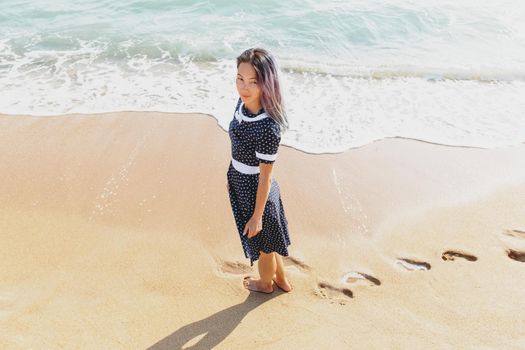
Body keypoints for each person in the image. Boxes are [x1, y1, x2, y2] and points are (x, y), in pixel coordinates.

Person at [226, 47, 293, 294]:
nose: (244, 87)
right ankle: (283, 280)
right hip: (241, 181)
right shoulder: (243, 104)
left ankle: (265, 284)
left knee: (264, 243)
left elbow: (265, 176)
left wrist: (257, 216)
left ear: (267, 83)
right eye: (240, 79)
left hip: (256, 189)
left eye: (253, 82)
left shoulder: (267, 128)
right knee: (271, 240)